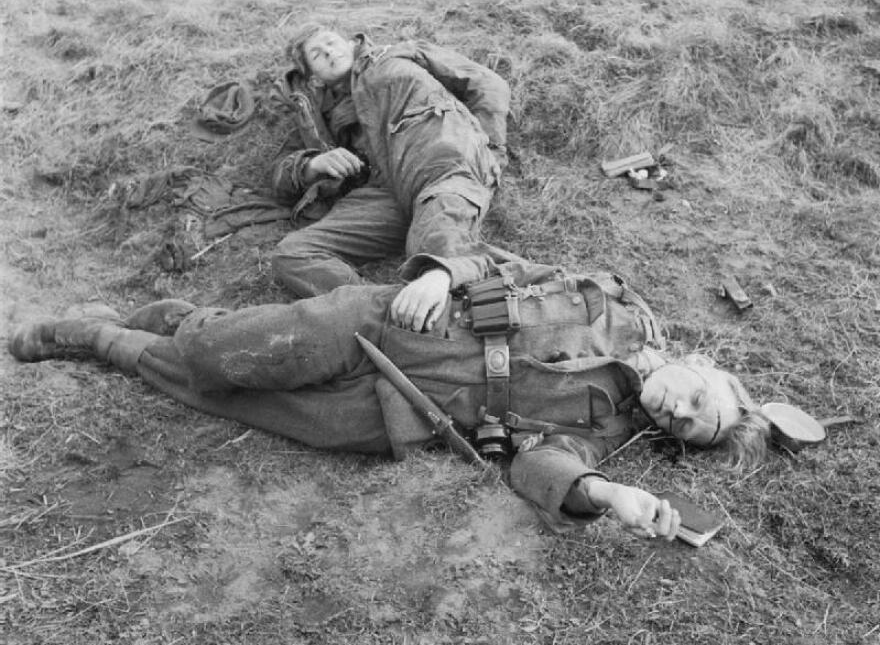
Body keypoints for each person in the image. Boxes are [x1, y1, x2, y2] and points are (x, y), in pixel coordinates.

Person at [9, 259, 770, 539]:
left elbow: (540, 464)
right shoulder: (604, 293)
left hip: (389, 414)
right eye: (697, 400)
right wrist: (441, 273)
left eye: (687, 431)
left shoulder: (609, 435)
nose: (678, 413)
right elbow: (497, 260)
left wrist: (606, 494)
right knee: (222, 357)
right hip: (386, 319)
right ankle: (182, 324)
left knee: (211, 393)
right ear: (697, 363)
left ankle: (99, 339)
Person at [268, 24, 510, 330]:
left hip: (441, 166)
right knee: (292, 255)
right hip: (384, 192)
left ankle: (429, 315)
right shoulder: (318, 119)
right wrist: (315, 163)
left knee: (439, 260)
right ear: (314, 77)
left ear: (349, 43)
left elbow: (488, 84)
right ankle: (384, 314)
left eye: (330, 42)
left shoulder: (398, 54)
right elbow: (278, 177)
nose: (329, 52)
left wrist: (489, 150)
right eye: (317, 54)